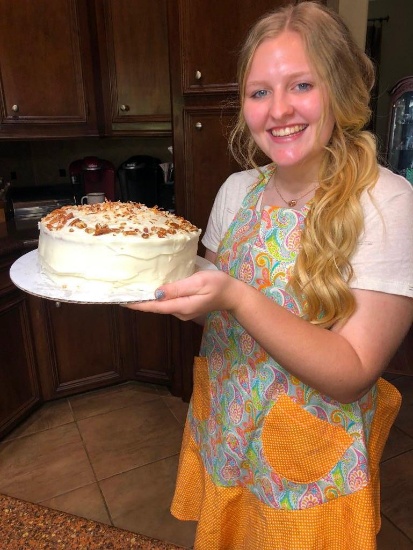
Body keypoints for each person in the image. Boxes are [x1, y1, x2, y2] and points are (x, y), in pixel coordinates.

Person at [127, 2, 413, 548]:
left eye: (300, 85)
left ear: (340, 89)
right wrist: (135, 281)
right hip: (230, 442)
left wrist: (236, 297)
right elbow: (207, 316)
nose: (278, 110)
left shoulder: (386, 202)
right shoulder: (236, 192)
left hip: (308, 468)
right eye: (259, 92)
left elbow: (352, 370)